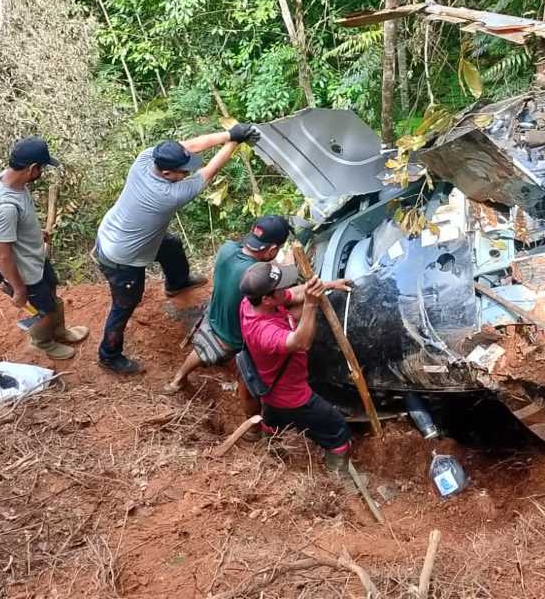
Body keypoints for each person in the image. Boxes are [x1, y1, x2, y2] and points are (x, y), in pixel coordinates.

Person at [94, 125, 260, 375]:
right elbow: (210, 171)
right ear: (167, 172)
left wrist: (231, 134)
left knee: (170, 245)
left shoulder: (144, 160)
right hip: (123, 257)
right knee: (124, 305)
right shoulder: (169, 194)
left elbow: (189, 146)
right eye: (183, 171)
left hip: (115, 231)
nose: (186, 173)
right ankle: (109, 355)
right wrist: (234, 143)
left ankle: (177, 283)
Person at [238, 261, 353, 472]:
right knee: (336, 426)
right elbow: (302, 343)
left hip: (270, 388)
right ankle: (339, 473)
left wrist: (328, 285)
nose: (286, 289)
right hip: (292, 395)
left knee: (274, 417)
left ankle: (271, 445)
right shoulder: (262, 331)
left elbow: (292, 294)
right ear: (267, 298)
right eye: (280, 287)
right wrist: (310, 304)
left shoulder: (250, 302)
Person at [161, 215, 293, 395]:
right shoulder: (254, 275)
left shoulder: (227, 248)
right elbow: (286, 290)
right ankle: (244, 387)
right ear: (272, 250)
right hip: (232, 336)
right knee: (285, 316)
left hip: (213, 315)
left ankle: (178, 380)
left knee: (201, 352)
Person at [0, 137, 88, 360]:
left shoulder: (10, 181)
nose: (42, 172)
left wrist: (35, 233)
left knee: (52, 291)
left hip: (35, 257)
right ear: (33, 168)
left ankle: (59, 331)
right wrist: (18, 288)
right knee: (42, 309)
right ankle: (43, 342)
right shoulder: (5, 208)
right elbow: (2, 255)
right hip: (25, 272)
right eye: (42, 168)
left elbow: (17, 228)